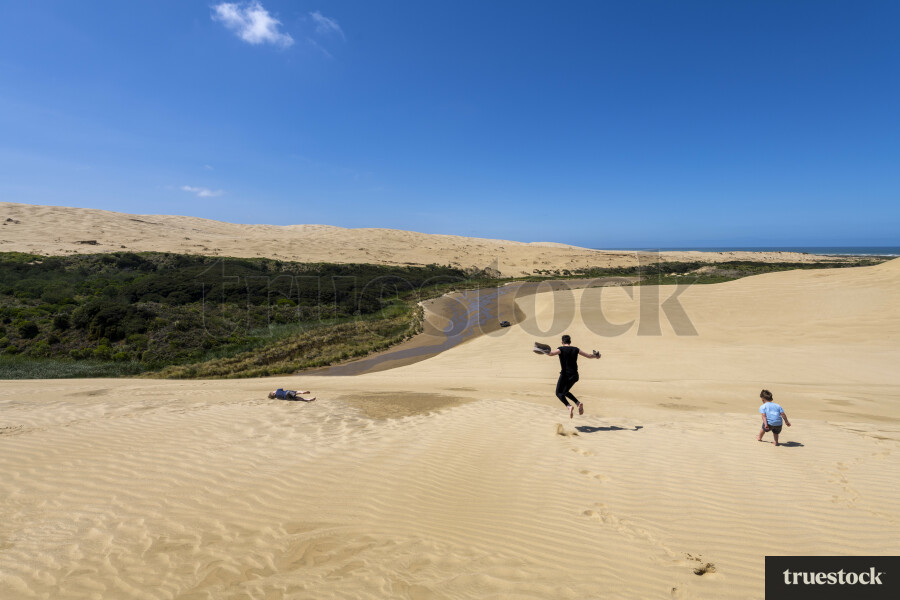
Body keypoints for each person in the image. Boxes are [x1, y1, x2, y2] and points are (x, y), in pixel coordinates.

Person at [543, 334, 601, 418]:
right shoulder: (576, 349)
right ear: (570, 341)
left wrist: (542, 350)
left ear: (562, 342)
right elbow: (588, 356)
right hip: (575, 376)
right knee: (565, 391)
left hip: (565, 375)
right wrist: (596, 356)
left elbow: (551, 353)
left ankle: (569, 406)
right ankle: (578, 403)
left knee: (558, 393)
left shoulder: (561, 349)